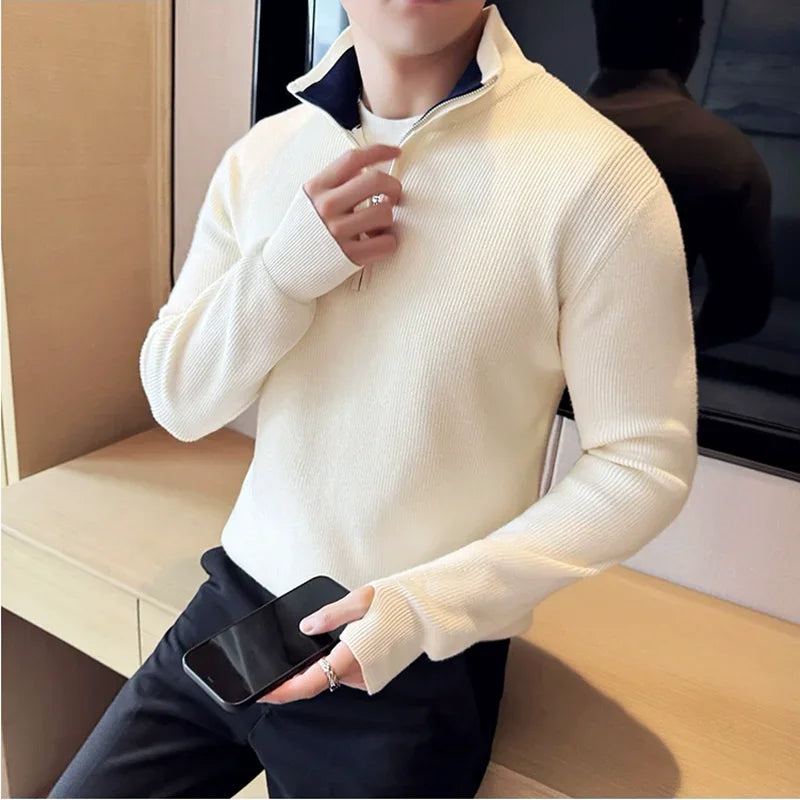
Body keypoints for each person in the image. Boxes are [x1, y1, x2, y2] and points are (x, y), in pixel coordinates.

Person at [50, 1, 698, 797]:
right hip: (240, 610)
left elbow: (643, 462)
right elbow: (179, 400)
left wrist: (424, 609)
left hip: (411, 664)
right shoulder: (266, 152)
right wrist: (282, 273)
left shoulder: (598, 178)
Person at [586, 0, 774, 352]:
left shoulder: (533, 129)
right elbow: (743, 311)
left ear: (600, 24)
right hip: (638, 371)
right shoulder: (722, 154)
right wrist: (670, 349)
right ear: (686, 31)